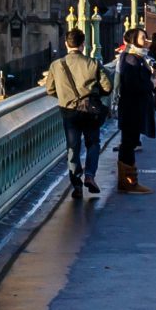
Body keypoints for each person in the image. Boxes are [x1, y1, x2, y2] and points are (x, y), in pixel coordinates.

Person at [45, 28, 111, 195]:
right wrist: (94, 95)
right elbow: (108, 87)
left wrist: (65, 97)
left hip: (69, 111)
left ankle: (77, 184)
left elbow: (50, 89)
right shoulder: (93, 63)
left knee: (73, 147)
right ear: (83, 45)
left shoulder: (56, 65)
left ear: (66, 44)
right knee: (93, 143)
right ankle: (89, 175)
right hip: (90, 110)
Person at [113, 26, 156, 194]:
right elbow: (132, 84)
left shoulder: (137, 57)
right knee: (129, 143)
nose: (146, 41)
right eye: (142, 38)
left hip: (133, 106)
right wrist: (151, 84)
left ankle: (127, 180)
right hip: (133, 107)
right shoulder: (131, 59)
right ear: (133, 40)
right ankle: (129, 182)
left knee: (129, 142)